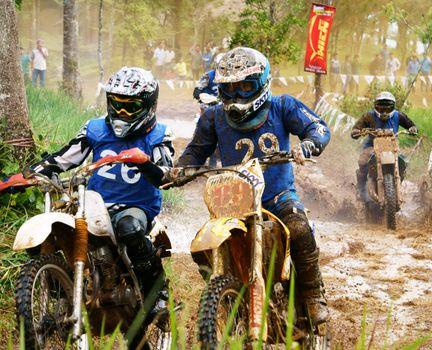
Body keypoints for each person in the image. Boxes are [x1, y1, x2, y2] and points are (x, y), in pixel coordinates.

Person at [174, 47, 331, 325]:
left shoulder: (283, 106)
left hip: (277, 196)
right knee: (204, 247)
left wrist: (309, 144)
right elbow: (196, 151)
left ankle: (311, 294)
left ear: (261, 83)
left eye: (245, 86)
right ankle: (227, 295)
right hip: (233, 200)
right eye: (230, 87)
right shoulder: (213, 116)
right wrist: (180, 169)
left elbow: (317, 127)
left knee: (299, 229)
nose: (237, 93)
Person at [29, 67, 174, 346]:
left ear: (147, 105)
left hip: (136, 206)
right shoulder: (96, 128)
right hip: (93, 204)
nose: (121, 112)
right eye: (116, 104)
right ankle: (59, 293)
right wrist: (39, 170)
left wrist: (145, 163)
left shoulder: (159, 135)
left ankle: (158, 294)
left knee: (128, 227)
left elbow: (166, 176)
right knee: (59, 230)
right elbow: (65, 157)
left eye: (130, 107)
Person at [351, 91, 417, 203]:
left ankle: (397, 185)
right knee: (362, 161)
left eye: (387, 108)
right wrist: (356, 131)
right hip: (372, 146)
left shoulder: (398, 115)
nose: (384, 111)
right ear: (376, 107)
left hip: (392, 146)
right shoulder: (369, 116)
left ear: (393, 107)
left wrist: (412, 129)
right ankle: (360, 190)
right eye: (381, 108)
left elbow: (411, 125)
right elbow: (356, 128)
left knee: (403, 162)